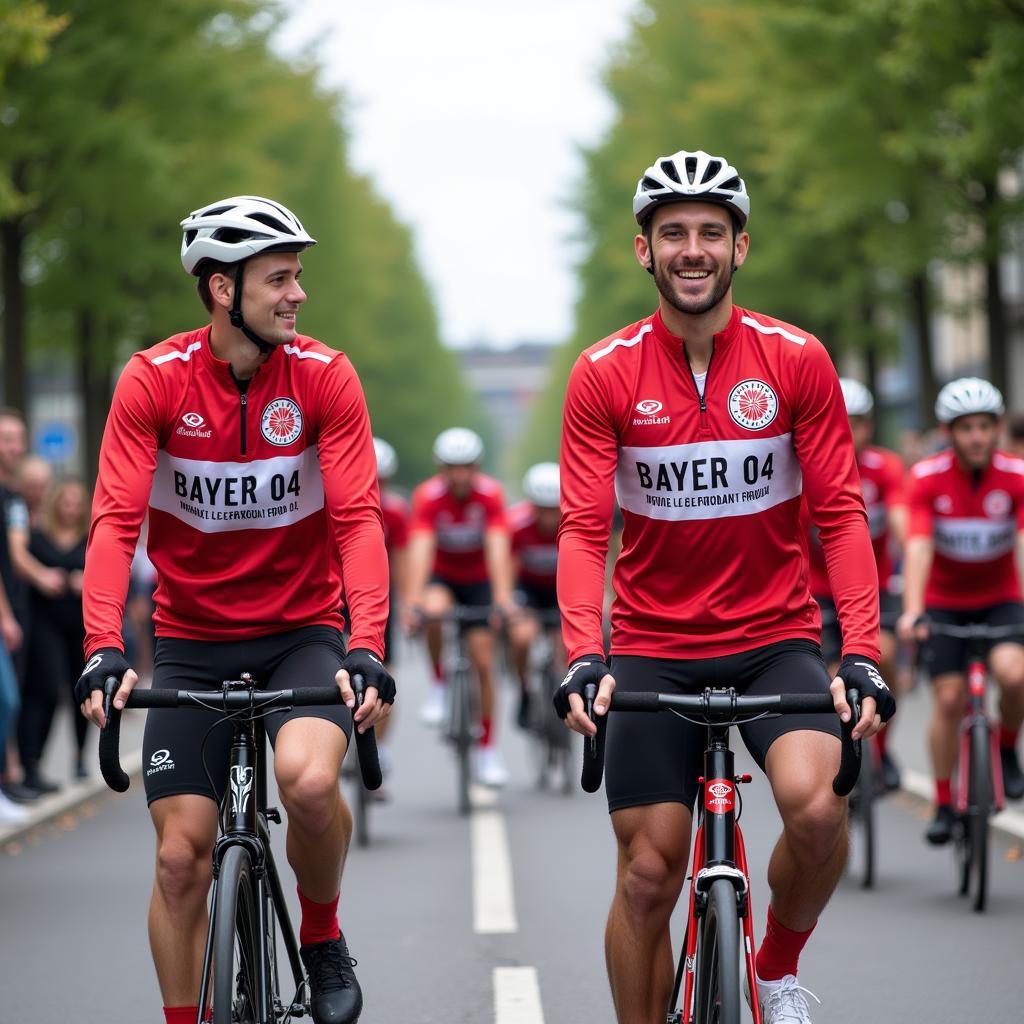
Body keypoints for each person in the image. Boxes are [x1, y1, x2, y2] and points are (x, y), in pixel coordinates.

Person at [554, 149, 894, 1024]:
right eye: (674, 234)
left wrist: (861, 650)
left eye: (711, 232)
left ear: (741, 246)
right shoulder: (604, 372)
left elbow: (841, 515)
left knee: (820, 813)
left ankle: (775, 967)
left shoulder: (796, 359)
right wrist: (583, 655)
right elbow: (587, 528)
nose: (692, 249)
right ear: (645, 251)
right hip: (653, 649)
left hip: (774, 638)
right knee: (648, 873)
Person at [75, 195, 395, 1024]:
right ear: (223, 289)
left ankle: (321, 936)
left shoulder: (326, 376)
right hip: (189, 643)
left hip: (302, 634)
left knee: (312, 779)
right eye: (279, 279)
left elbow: (359, 519)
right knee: (181, 859)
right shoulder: (154, 381)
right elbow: (113, 523)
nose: (298, 295)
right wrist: (102, 646)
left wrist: (367, 643)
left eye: (298, 278)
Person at [897, 377, 1024, 846]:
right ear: (948, 432)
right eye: (966, 427)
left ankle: (1007, 751)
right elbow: (919, 546)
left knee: (1013, 675)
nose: (976, 437)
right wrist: (912, 611)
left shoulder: (1016, 476)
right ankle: (946, 802)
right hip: (944, 602)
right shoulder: (928, 478)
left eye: (985, 427)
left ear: (997, 430)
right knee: (949, 701)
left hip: (1000, 599)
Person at [804, 378, 907, 789]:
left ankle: (883, 752)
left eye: (859, 422)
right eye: (842, 421)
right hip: (818, 587)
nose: (850, 431)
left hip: (874, 583)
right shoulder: (805, 469)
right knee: (834, 674)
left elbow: (905, 522)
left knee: (890, 657)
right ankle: (844, 749)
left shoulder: (887, 468)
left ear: (870, 426)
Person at [404, 427, 514, 787]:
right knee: (433, 610)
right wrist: (413, 599)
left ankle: (486, 750)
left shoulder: (490, 495)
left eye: (466, 467)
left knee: (483, 662)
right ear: (442, 468)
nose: (460, 475)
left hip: (479, 581)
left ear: (477, 466)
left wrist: (501, 598)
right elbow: (420, 546)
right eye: (452, 467)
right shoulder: (429, 497)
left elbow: (498, 547)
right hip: (444, 577)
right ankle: (439, 683)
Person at [17, 478, 90, 788]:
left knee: (82, 689)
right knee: (46, 689)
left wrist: (84, 580)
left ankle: (79, 758)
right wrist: (42, 578)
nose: (71, 509)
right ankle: (31, 763)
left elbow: (111, 572)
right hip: (45, 624)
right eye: (66, 501)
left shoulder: (90, 538)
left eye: (76, 503)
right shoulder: (37, 538)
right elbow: (21, 568)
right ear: (56, 503)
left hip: (80, 623)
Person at [506, 462, 565, 728]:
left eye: (553, 508)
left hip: (559, 589)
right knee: (521, 638)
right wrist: (507, 602)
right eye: (541, 508)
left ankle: (561, 688)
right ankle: (525, 689)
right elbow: (505, 567)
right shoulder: (516, 525)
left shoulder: (571, 523)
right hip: (527, 589)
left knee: (565, 644)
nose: (548, 516)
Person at [0, 407, 36, 808]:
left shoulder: (14, 497)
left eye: (17, 439)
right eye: (6, 439)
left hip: (16, 608)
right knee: (7, 699)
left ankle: (11, 779)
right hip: (6, 613)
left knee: (14, 696)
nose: (14, 447)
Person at [372, 436, 409, 787]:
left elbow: (401, 561)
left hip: (380, 595)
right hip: (334, 594)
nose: (376, 487)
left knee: (384, 675)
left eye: (382, 480)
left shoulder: (395, 512)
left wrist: (408, 602)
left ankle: (378, 748)